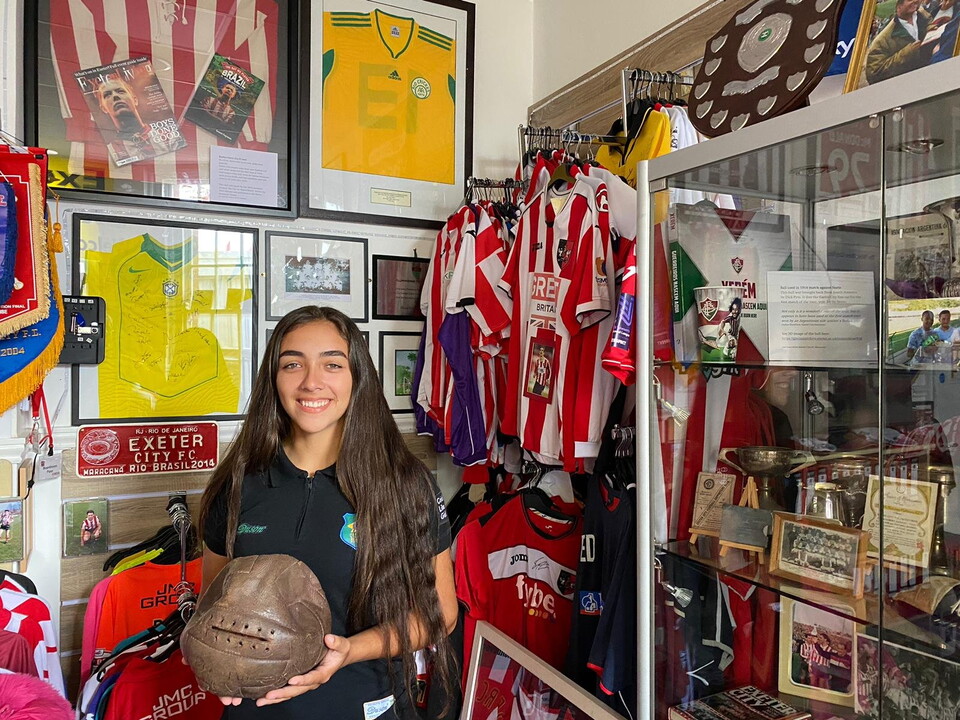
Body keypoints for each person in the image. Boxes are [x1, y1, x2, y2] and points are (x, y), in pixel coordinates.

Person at [197, 305, 457, 718]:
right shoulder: (237, 482)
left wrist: (351, 650)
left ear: (358, 377)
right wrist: (214, 657)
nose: (311, 382)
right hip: (254, 709)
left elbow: (440, 613)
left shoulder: (406, 483)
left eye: (332, 364)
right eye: (292, 364)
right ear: (273, 379)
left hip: (362, 704)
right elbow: (212, 604)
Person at [94, 76, 182, 163]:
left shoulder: (170, 136)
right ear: (104, 108)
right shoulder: (111, 151)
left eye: (120, 91)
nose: (115, 96)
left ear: (135, 100)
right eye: (107, 95)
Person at [864, 0, 935, 85]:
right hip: (907, 84)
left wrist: (931, 29)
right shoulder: (882, 40)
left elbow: (929, 23)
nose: (915, 1)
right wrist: (907, 53)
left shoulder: (921, 14)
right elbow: (873, 74)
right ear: (898, 7)